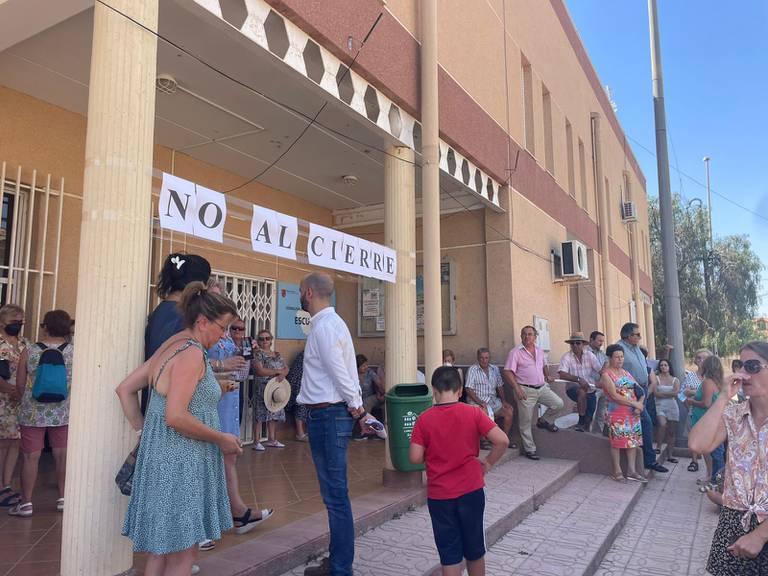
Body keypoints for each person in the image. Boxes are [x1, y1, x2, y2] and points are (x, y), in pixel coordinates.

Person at [118, 282, 242, 575]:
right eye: (223, 327)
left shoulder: (171, 345)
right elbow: (176, 415)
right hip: (184, 462)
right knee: (183, 555)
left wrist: (143, 432)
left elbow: (125, 389)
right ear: (202, 322)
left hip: (164, 459)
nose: (224, 335)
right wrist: (221, 437)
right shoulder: (192, 353)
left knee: (162, 552)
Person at [297, 272, 373, 576]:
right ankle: (338, 561)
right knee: (335, 494)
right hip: (329, 414)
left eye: (302, 291)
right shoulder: (332, 324)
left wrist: (357, 409)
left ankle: (340, 569)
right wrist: (357, 407)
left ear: (310, 292)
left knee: (336, 496)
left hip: (328, 416)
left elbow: (340, 373)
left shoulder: (324, 327)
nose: (301, 296)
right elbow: (347, 373)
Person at [409, 366, 509, 576]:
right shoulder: (473, 412)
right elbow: (502, 440)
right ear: (460, 390)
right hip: (471, 490)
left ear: (434, 390)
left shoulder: (424, 419)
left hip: (439, 495)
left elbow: (415, 457)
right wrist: (487, 464)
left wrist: (433, 454)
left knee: (449, 553)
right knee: (474, 550)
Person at [689, 341, 768, 575]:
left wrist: (760, 535)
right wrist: (723, 397)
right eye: (739, 365)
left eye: (752, 366)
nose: (743, 374)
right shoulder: (734, 415)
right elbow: (697, 444)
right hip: (733, 524)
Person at [208, 319, 273, 537]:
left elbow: (241, 376)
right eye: (232, 327)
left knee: (229, 457)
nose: (236, 331)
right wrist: (221, 365)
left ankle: (237, 514)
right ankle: (229, 516)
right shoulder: (206, 337)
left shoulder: (231, 343)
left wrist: (246, 355)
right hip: (214, 405)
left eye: (240, 328)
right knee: (215, 460)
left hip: (229, 403)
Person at [8, 310, 74, 517]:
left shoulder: (30, 350)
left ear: (44, 326)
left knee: (30, 456)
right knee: (62, 455)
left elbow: (19, 382)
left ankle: (26, 503)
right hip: (63, 411)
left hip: (33, 410)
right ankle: (63, 498)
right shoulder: (74, 351)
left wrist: (23, 397)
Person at [143, 253, 212, 413]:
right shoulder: (183, 319)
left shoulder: (160, 311)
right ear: (198, 286)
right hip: (172, 414)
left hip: (155, 407)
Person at [503, 326, 563, 461]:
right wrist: (517, 389)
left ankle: (544, 420)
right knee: (526, 422)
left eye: (530, 334)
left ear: (535, 337)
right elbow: (507, 371)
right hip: (525, 390)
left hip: (542, 388)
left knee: (558, 403)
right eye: (524, 334)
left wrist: (547, 375)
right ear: (521, 336)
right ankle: (530, 449)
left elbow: (543, 365)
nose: (527, 337)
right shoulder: (515, 352)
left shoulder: (539, 350)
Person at [615, 323, 668, 474]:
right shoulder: (620, 349)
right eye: (637, 335)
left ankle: (646, 459)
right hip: (630, 391)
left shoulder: (636, 348)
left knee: (642, 423)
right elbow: (615, 369)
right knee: (646, 422)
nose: (640, 337)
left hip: (642, 390)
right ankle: (649, 461)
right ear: (627, 336)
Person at [601, 344, 646, 483]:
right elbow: (614, 396)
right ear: (610, 358)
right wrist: (634, 403)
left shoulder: (626, 373)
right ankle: (617, 471)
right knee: (617, 442)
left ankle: (632, 471)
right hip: (617, 413)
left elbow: (640, 391)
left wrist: (639, 405)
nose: (620, 360)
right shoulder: (606, 375)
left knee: (632, 441)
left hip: (632, 414)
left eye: (622, 357)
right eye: (617, 357)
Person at [0, 304, 28, 508]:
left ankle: (6, 484)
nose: (17, 326)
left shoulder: (24, 344)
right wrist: (12, 390)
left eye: (21, 322)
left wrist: (21, 392)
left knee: (15, 443)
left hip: (20, 401)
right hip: (3, 400)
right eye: (14, 322)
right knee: (2, 443)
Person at [465, 348, 515, 447]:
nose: (484, 360)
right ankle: (483, 441)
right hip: (477, 401)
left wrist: (504, 401)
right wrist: (480, 402)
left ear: (489, 358)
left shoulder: (494, 369)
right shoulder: (473, 370)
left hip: (493, 401)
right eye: (482, 358)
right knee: (483, 413)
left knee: (509, 411)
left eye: (486, 358)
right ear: (478, 358)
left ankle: (503, 440)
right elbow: (468, 389)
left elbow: (500, 386)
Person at [687, 355, 724, 486]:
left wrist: (691, 401)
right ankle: (714, 476)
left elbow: (706, 403)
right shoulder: (719, 382)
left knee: (711, 451)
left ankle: (713, 478)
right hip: (714, 419)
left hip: (705, 419)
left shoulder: (708, 382)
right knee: (715, 450)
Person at [558, 332, 603, 432]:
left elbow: (600, 370)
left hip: (590, 388)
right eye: (572, 343)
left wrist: (603, 380)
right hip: (573, 387)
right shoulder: (567, 356)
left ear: (583, 344)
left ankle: (585, 433)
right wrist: (578, 379)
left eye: (577, 343)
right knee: (581, 391)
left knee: (590, 416)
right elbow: (562, 374)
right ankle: (581, 421)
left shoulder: (590, 355)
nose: (574, 345)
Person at [252, 329, 289, 450]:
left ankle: (272, 439)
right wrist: (277, 371)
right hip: (263, 387)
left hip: (276, 388)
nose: (265, 341)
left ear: (271, 340)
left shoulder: (277, 354)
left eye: (267, 338)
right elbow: (260, 370)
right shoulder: (258, 354)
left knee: (274, 412)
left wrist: (283, 374)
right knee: (260, 415)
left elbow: (286, 368)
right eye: (261, 339)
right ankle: (257, 441)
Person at [682, 348, 712, 472]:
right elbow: (685, 392)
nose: (700, 360)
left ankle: (711, 471)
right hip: (694, 411)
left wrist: (695, 392)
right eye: (698, 357)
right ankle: (694, 461)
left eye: (704, 358)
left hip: (710, 413)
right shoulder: (691, 375)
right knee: (693, 437)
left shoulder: (712, 376)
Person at [654, 359, 680, 464]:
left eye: (665, 365)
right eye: (661, 365)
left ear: (669, 366)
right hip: (659, 405)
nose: (663, 367)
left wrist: (663, 394)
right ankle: (659, 446)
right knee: (662, 424)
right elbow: (656, 394)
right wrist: (670, 394)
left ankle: (670, 455)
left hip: (672, 406)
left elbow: (676, 393)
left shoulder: (675, 380)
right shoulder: (656, 379)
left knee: (671, 432)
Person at [588, 331, 609, 434]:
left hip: (602, 387)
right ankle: (588, 437)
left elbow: (605, 368)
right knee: (591, 413)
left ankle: (597, 436)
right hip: (591, 387)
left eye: (602, 341)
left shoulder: (602, 354)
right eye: (599, 340)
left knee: (601, 415)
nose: (601, 343)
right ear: (591, 340)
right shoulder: (585, 353)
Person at [286, 350, 309, 441]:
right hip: (298, 382)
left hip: (302, 382)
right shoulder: (307, 354)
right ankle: (300, 433)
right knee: (300, 405)